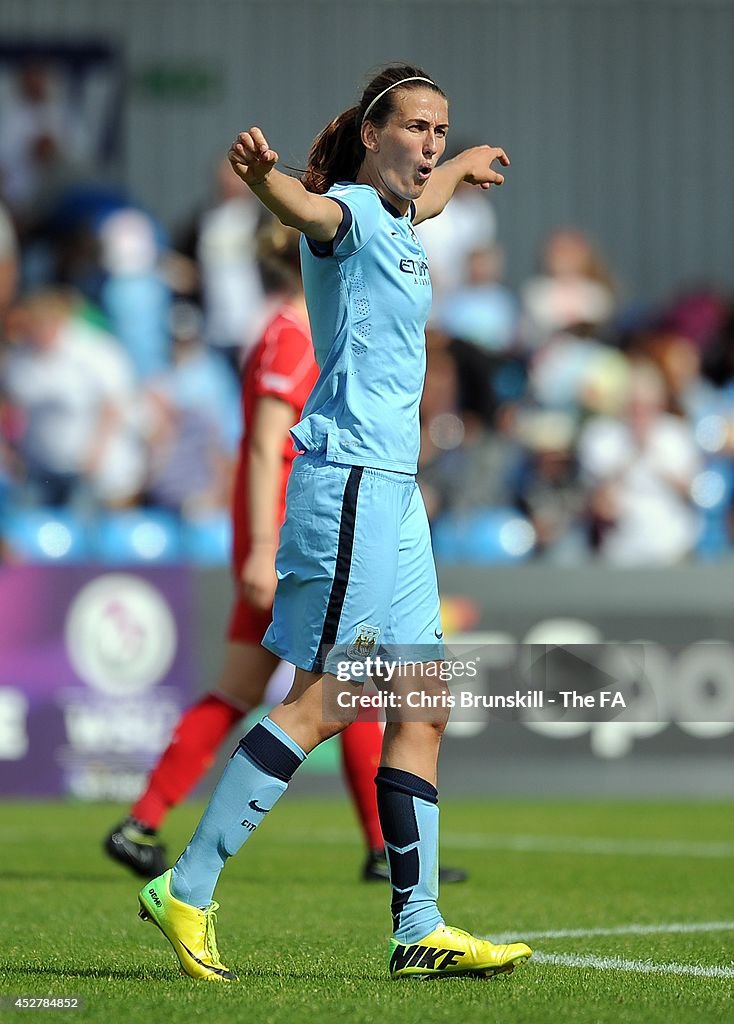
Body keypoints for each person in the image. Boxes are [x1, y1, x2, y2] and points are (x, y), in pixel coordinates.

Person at [137, 63, 531, 982]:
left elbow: (422, 202)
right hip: (348, 481)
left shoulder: (399, 217)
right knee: (329, 700)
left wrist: (466, 162)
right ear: (370, 134)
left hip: (398, 493)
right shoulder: (349, 212)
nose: (429, 144)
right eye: (417, 129)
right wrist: (262, 180)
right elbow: (306, 213)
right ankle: (186, 887)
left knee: (422, 704)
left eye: (441, 130)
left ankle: (418, 927)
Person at [105, 222, 467, 881]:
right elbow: (267, 441)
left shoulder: (287, 330)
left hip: (283, 530)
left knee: (279, 685)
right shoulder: (296, 334)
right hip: (298, 535)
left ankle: (146, 820)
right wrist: (263, 543)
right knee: (338, 681)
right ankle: (374, 850)